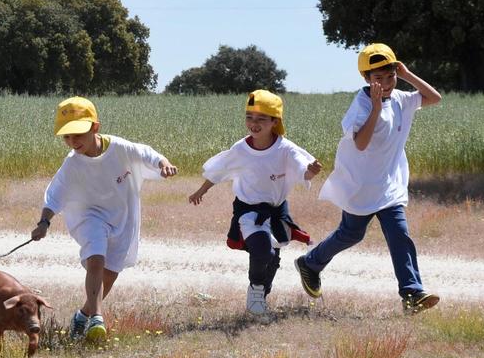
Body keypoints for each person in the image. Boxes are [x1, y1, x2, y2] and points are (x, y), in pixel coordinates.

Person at [293, 43, 443, 314]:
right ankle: (310, 263)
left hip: (389, 184)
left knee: (399, 234)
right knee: (350, 234)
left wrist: (407, 75)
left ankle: (411, 293)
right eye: (378, 78)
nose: (385, 84)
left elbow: (434, 98)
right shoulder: (361, 105)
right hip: (360, 185)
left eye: (390, 76)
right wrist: (375, 107)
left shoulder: (400, 98)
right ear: (365, 79)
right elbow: (361, 143)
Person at [30, 97, 177, 341]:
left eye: (78, 133)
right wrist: (43, 223)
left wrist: (163, 163)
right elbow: (54, 195)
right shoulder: (71, 164)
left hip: (121, 216)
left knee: (109, 275)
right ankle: (97, 317)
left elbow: (146, 153)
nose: (72, 141)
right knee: (96, 259)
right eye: (66, 136)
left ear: (95, 127)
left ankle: (82, 315)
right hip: (89, 216)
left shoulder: (119, 148)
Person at [187, 90, 322, 317]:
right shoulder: (241, 148)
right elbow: (220, 170)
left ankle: (262, 292)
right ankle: (256, 289)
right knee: (263, 250)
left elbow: (303, 170)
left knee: (273, 258)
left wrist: (311, 171)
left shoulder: (286, 149)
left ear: (274, 122)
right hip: (248, 210)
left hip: (277, 211)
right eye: (250, 117)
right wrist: (201, 190)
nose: (254, 123)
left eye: (261, 119)